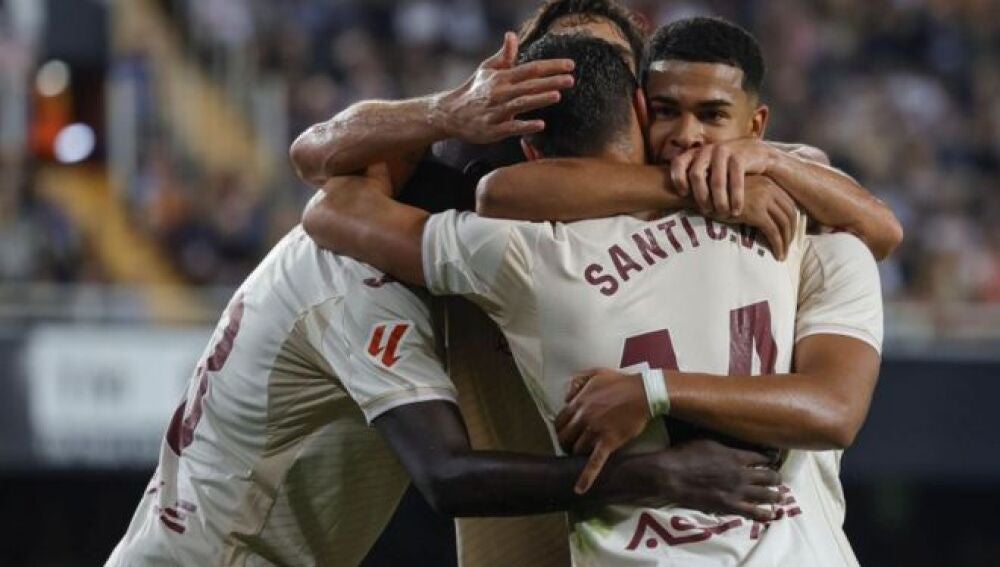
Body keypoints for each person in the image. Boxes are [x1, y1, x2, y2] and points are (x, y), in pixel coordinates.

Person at [106, 22, 781, 567]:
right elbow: (447, 475)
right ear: (529, 169)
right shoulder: (361, 276)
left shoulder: (443, 223)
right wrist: (660, 475)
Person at [300, 29, 883, 566]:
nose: (687, 138)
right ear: (637, 107)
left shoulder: (522, 253)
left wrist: (446, 115)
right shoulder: (804, 225)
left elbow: (334, 208)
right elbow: (876, 239)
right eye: (667, 112)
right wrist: (751, 173)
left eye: (709, 116)